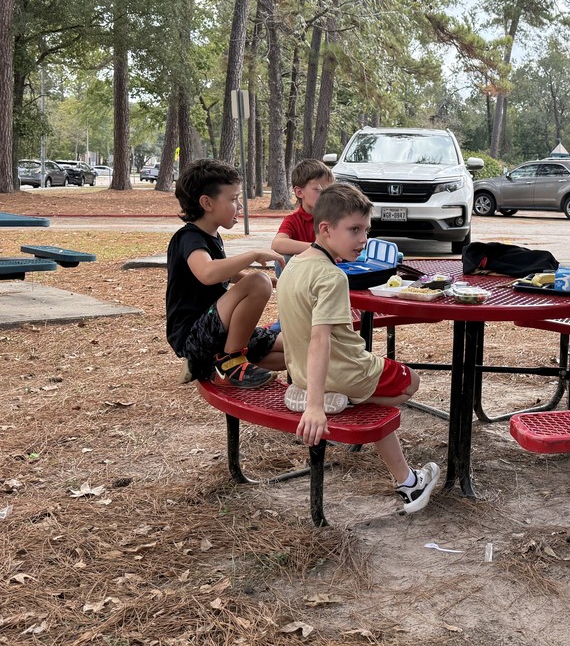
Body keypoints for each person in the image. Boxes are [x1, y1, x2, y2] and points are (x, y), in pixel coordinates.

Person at [276, 183, 440, 515]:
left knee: (368, 398)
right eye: (354, 230)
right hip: (344, 373)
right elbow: (321, 339)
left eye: (366, 230)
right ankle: (344, 400)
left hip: (304, 375)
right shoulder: (332, 276)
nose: (363, 239)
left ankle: (409, 482)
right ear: (325, 229)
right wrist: (315, 407)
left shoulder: (293, 265)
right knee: (411, 381)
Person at [166, 159, 286, 389]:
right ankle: (230, 363)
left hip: (219, 332)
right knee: (258, 282)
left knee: (297, 352)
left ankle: (211, 366)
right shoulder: (189, 238)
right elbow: (208, 273)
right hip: (193, 335)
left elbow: (222, 272)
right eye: (233, 199)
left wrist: (252, 279)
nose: (240, 206)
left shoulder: (211, 237)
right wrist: (252, 257)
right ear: (207, 203)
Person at [271, 158, 335, 260]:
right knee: (283, 258)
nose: (325, 194)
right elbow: (277, 244)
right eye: (318, 189)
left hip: (335, 270)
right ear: (299, 192)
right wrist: (318, 249)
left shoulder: (336, 217)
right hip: (305, 271)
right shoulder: (293, 220)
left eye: (329, 189)